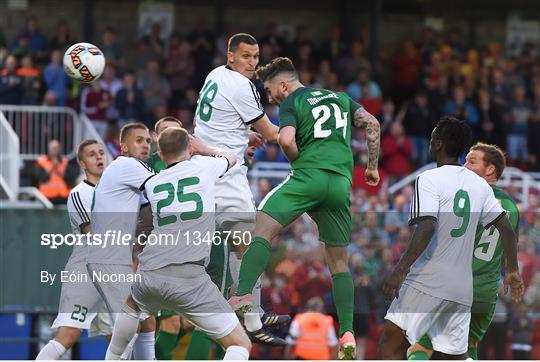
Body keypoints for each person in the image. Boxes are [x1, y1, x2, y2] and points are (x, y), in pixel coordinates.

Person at [228, 57, 381, 359]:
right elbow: (373, 124)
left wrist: (300, 162)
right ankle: (347, 331)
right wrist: (372, 168)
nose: (270, 98)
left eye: (270, 91)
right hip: (339, 185)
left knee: (261, 227)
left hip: (308, 176)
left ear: (283, 85)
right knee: (339, 263)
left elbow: (285, 140)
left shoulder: (293, 101)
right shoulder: (341, 98)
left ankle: (243, 293)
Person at [379, 117, 524, 359]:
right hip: (463, 288)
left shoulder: (429, 179)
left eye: (433, 135)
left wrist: (400, 269)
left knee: (392, 342)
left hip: (429, 280)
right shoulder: (479, 187)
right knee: (457, 355)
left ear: (438, 143)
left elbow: (426, 227)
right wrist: (512, 270)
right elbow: (507, 229)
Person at [105, 127, 252, 360]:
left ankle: (112, 358)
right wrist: (206, 150)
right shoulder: (203, 167)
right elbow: (231, 157)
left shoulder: (153, 183)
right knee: (240, 343)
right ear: (190, 148)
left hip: (149, 273)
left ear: (160, 154)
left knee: (132, 306)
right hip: (190, 277)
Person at [193, 33, 288, 347]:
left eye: (256, 57)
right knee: (251, 243)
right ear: (230, 56)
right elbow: (273, 134)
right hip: (225, 174)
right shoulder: (241, 85)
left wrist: (243, 135)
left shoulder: (215, 75)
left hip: (206, 168)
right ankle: (251, 320)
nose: (252, 63)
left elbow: (216, 122)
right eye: (246, 56)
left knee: (237, 246)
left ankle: (252, 316)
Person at [407, 142, 521, 360]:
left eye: (471, 161)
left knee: (420, 348)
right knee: (466, 349)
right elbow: (509, 254)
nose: (464, 165)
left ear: (490, 170)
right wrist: (512, 273)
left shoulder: (464, 198)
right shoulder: (513, 208)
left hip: (454, 287)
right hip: (486, 293)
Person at [36, 140, 110, 359]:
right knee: (69, 334)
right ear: (82, 163)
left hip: (110, 273)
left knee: (121, 337)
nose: (98, 157)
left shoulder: (114, 192)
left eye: (101, 153)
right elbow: (95, 237)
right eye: (91, 155)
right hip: (86, 273)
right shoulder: (79, 193)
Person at [90, 123, 156, 359]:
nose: (146, 145)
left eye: (148, 141)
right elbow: (165, 189)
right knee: (129, 328)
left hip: (111, 258)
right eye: (139, 140)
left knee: (146, 321)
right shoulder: (128, 166)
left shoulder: (124, 172)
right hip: (108, 259)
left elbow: (147, 211)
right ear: (124, 147)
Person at [34, 139, 77, 205]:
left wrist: (57, 169)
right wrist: (52, 168)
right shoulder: (41, 161)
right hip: (46, 197)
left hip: (63, 197)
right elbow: (41, 178)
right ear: (49, 149)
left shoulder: (65, 161)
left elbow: (71, 179)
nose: (54, 150)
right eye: (53, 148)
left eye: (56, 148)